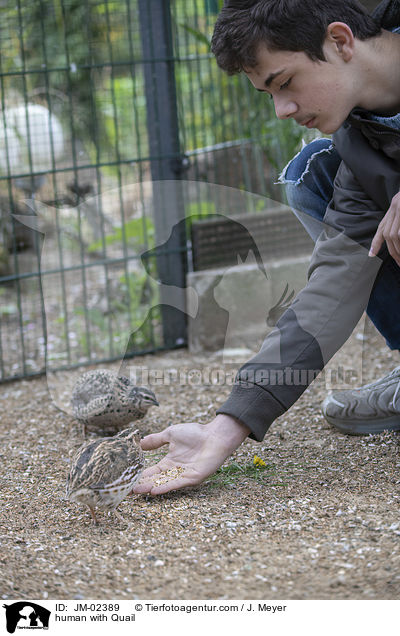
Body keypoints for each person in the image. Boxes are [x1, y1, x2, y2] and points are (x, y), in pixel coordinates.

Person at [133, 0, 400, 496]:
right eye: (268, 94)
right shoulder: (364, 144)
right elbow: (333, 289)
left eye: (284, 82)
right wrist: (228, 424)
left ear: (340, 41)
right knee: (312, 174)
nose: (282, 110)